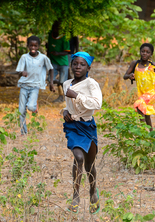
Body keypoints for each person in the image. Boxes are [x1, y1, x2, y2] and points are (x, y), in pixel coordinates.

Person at [62, 52, 102, 214]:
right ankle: (76, 196)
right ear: (71, 66)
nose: (78, 67)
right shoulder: (66, 84)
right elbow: (68, 106)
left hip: (87, 125)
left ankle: (93, 191)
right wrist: (64, 111)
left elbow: (97, 103)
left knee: (89, 165)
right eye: (75, 64)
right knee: (78, 158)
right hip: (73, 127)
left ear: (88, 68)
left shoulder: (91, 83)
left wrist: (77, 95)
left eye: (82, 64)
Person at [16, 36, 55, 135]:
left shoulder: (43, 58)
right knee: (21, 110)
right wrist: (22, 72)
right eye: (31, 45)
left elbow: (51, 69)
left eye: (35, 45)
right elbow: (19, 71)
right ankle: (23, 132)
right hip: (24, 85)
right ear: (28, 45)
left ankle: (34, 105)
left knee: (30, 107)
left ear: (38, 46)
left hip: (35, 86)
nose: (33, 47)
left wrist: (51, 83)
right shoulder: (24, 57)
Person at [123, 43, 155, 131]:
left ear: (151, 54)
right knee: (146, 113)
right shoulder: (135, 64)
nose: (145, 53)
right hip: (141, 92)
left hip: (151, 92)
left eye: (147, 52)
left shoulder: (152, 65)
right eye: (143, 51)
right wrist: (130, 76)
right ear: (140, 52)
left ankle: (142, 131)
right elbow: (125, 76)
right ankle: (152, 133)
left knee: (139, 105)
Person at [47, 21, 70, 102]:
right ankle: (62, 85)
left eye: (58, 28)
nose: (56, 30)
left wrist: (57, 53)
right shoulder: (50, 34)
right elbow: (48, 45)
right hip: (53, 62)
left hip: (63, 63)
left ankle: (62, 98)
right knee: (50, 79)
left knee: (63, 82)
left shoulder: (64, 37)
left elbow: (67, 52)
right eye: (55, 28)